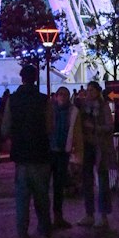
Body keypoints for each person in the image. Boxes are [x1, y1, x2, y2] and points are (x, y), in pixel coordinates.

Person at [1, 63, 53, 238]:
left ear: (21, 78)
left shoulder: (12, 100)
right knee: (42, 198)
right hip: (40, 154)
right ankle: (45, 234)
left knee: (22, 200)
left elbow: (5, 128)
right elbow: (49, 127)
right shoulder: (43, 100)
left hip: (22, 156)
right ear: (36, 78)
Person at [75, 81, 115, 229]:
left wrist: (95, 127)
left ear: (98, 92)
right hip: (87, 147)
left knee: (102, 181)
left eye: (92, 90)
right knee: (87, 180)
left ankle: (103, 215)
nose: (89, 92)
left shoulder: (103, 107)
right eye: (88, 90)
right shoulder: (84, 107)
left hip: (100, 147)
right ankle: (89, 213)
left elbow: (109, 126)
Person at [48, 86, 79, 228]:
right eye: (60, 94)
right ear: (56, 96)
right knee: (46, 185)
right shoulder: (50, 111)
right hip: (50, 151)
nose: (62, 97)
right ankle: (48, 217)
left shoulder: (72, 112)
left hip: (62, 152)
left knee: (58, 185)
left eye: (65, 94)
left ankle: (57, 216)